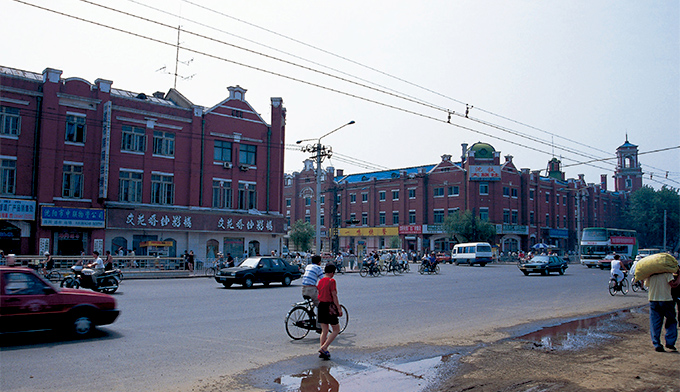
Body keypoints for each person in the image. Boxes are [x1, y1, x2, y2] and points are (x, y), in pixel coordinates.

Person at [645, 264, 680, 352]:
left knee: (655, 322)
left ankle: (657, 344)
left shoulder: (651, 275)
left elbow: (646, 284)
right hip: (666, 300)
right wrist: (679, 277)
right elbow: (674, 285)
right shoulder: (667, 274)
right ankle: (670, 342)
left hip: (653, 300)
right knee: (671, 321)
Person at [317, 264, 342, 360]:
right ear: (332, 272)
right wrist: (338, 308)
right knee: (336, 329)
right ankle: (324, 347)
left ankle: (323, 351)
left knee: (324, 330)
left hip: (321, 306)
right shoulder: (331, 281)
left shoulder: (320, 281)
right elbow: (334, 295)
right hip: (329, 307)